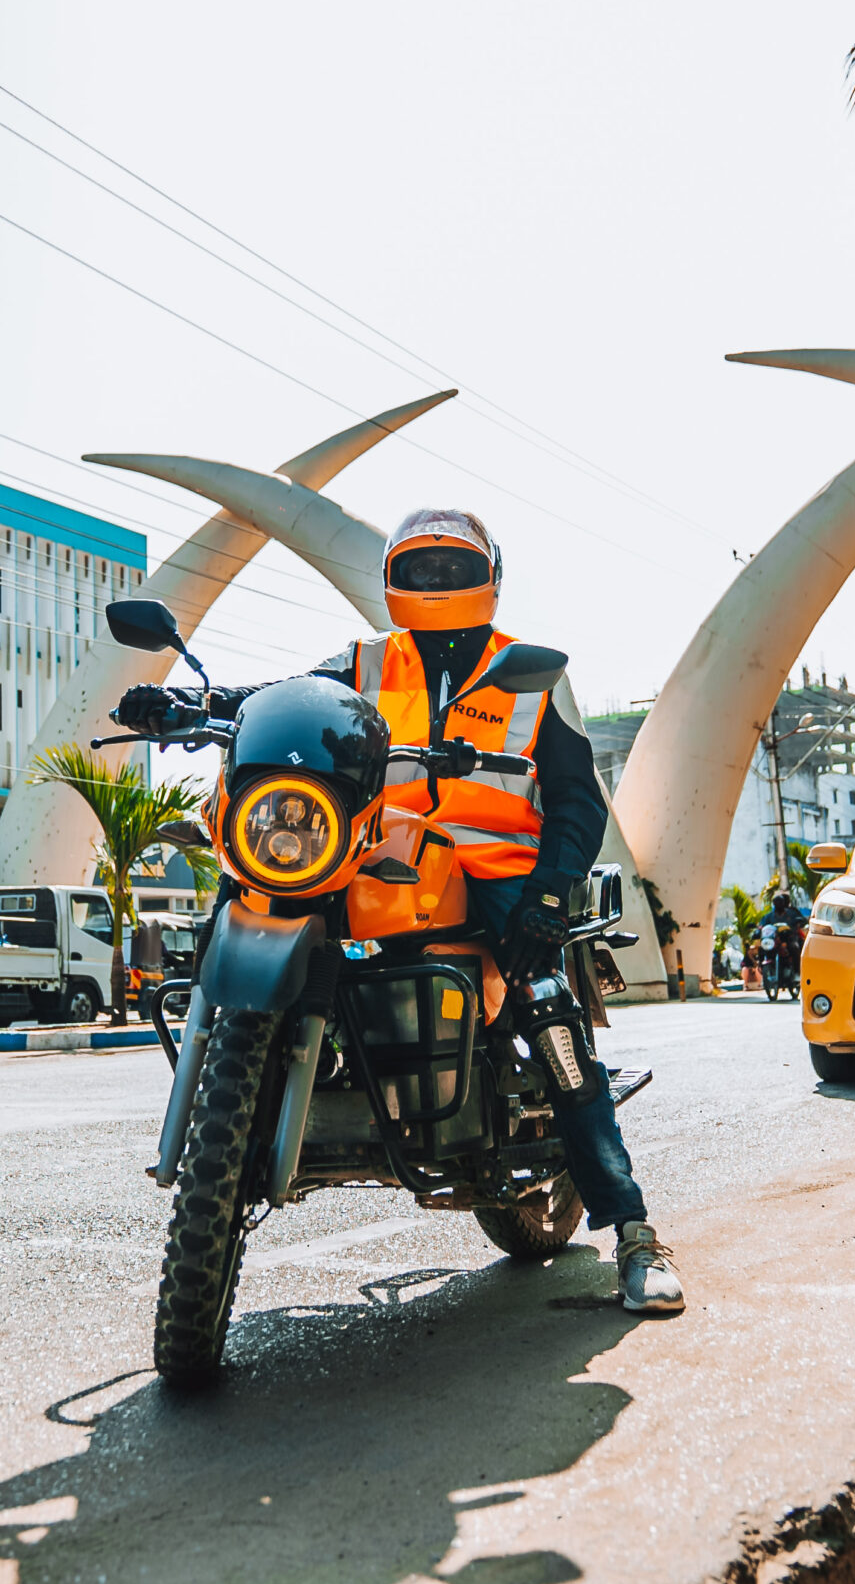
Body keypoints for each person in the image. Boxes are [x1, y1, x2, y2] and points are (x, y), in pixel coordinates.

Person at [118, 507, 684, 1315]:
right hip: (375, 847)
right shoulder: (362, 662)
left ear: (488, 577)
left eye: (452, 568)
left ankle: (632, 1231)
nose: (435, 581)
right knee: (260, 884)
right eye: (421, 568)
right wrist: (188, 703)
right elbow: (280, 698)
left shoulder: (527, 670)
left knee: (548, 1013)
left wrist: (548, 901)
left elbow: (574, 800)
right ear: (394, 579)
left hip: (491, 867)